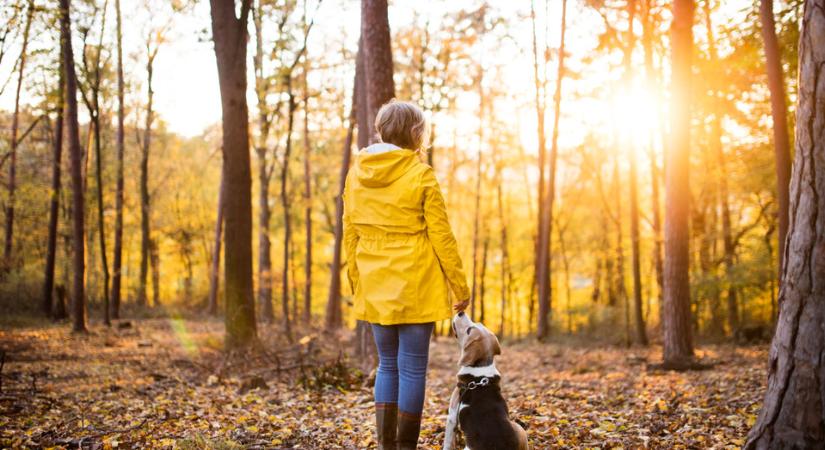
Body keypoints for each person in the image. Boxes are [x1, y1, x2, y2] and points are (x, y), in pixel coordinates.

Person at [343, 100, 471, 449]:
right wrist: (459, 284)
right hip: (416, 281)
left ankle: (386, 445)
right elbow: (442, 236)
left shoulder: (357, 175)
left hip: (375, 280)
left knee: (387, 365)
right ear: (416, 135)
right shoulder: (421, 174)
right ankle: (404, 447)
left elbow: (349, 232)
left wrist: (357, 280)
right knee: (412, 368)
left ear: (382, 130)